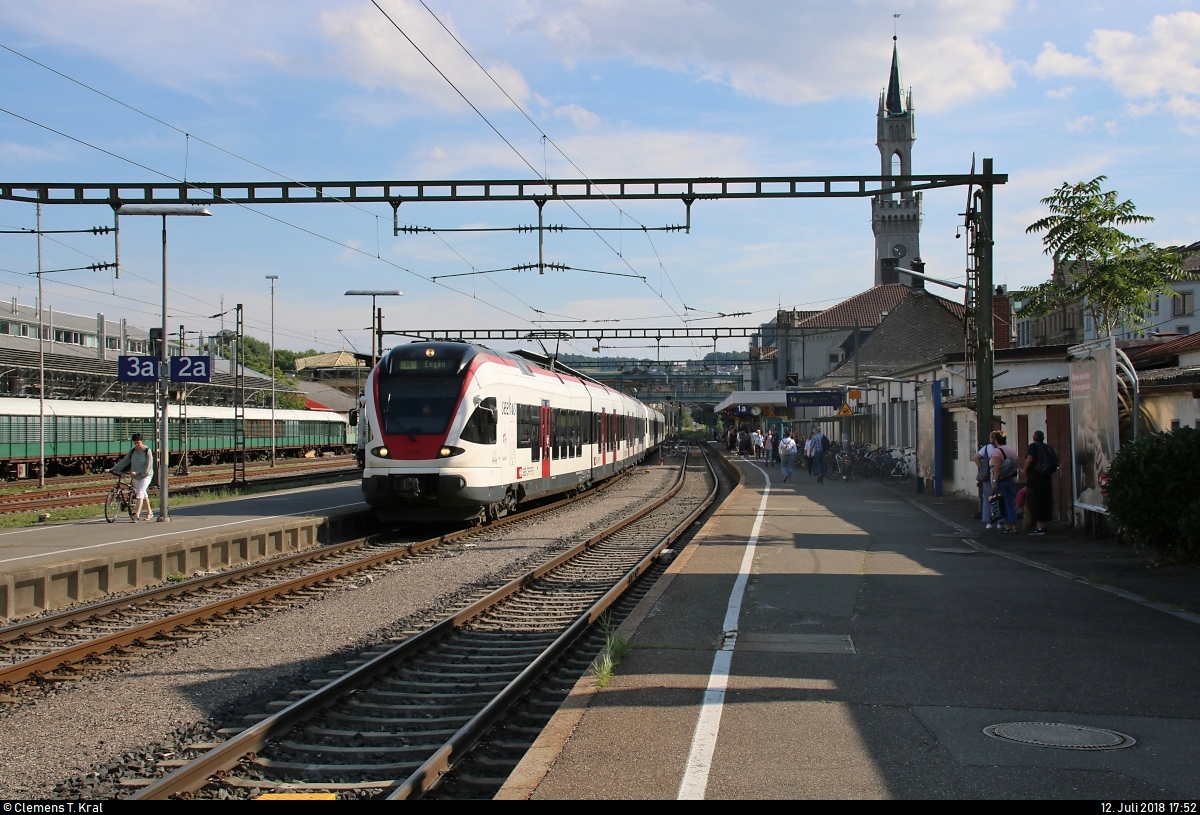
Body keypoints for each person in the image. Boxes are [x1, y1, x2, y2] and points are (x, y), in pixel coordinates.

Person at [107, 432, 154, 522]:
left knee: (140, 493)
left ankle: (136, 515)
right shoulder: (133, 451)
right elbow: (124, 461)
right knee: (143, 494)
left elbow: (148, 467)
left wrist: (137, 472)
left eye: (138, 443)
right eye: (135, 443)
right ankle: (150, 512)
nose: (136, 445)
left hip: (146, 475)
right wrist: (111, 469)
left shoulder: (147, 451)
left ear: (142, 441)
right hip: (136, 476)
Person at [988, 430, 1020, 534]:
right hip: (1010, 478)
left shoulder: (996, 452)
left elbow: (997, 467)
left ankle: (1008, 526)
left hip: (1001, 480)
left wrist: (995, 480)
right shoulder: (1010, 449)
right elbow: (1017, 461)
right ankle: (1014, 525)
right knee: (1011, 502)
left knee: (1003, 503)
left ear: (996, 440)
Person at [1024, 430, 1055, 536]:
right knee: (1045, 500)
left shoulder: (1033, 447)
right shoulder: (1047, 447)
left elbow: (1029, 460)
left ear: (1033, 438)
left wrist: (1025, 471)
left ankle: (1039, 527)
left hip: (1035, 476)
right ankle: (1044, 525)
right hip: (1046, 476)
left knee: (1035, 500)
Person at [973, 438, 997, 529]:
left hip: (988, 475)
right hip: (1001, 476)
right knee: (1001, 498)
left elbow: (976, 458)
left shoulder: (987, 448)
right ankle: (1001, 522)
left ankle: (989, 521)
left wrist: (983, 468)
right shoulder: (1005, 448)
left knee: (988, 498)